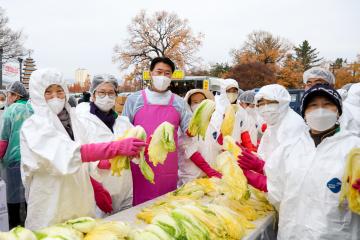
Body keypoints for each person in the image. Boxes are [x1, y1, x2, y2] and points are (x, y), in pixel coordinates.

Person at [20, 68, 146, 230]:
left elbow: (85, 164)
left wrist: (97, 186)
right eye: (48, 92)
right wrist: (114, 148)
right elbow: (68, 155)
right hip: (51, 204)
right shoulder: (34, 126)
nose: (55, 97)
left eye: (59, 91)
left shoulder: (74, 121)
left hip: (80, 204)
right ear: (38, 94)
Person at [238, 84, 360, 239]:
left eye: (327, 104)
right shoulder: (291, 147)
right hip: (292, 232)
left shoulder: (354, 149)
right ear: (305, 112)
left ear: (338, 111)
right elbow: (276, 188)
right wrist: (253, 176)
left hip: (335, 233)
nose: (320, 110)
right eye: (313, 105)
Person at [123, 57, 217, 205]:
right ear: (150, 73)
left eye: (167, 73)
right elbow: (124, 131)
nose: (163, 76)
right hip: (139, 162)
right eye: (159, 72)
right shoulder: (134, 100)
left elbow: (189, 132)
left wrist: (203, 115)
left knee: (165, 205)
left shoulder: (179, 103)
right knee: (139, 207)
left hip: (167, 166)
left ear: (172, 76)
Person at [76, 74, 134, 215]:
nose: (106, 97)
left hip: (124, 187)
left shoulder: (124, 122)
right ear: (93, 95)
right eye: (102, 92)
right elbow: (76, 157)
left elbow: (136, 153)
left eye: (110, 93)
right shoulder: (81, 121)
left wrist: (137, 152)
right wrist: (99, 163)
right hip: (97, 189)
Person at [0, 81, 32, 228]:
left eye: (9, 95)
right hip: (31, 159)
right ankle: (29, 224)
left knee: (12, 196)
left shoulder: (11, 110)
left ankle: (14, 227)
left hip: (13, 160)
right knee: (28, 194)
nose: (7, 98)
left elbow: (4, 139)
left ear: (15, 95)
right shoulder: (32, 108)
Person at [178, 89, 221, 186]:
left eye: (202, 101)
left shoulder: (212, 124)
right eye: (195, 102)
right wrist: (209, 171)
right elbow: (190, 151)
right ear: (189, 105)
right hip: (192, 178)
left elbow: (217, 145)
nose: (199, 105)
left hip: (210, 177)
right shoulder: (186, 126)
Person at [254, 84, 307, 161]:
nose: (266, 108)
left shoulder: (293, 124)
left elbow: (290, 163)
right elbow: (266, 151)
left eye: (271, 102)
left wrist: (262, 166)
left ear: (282, 102)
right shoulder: (274, 122)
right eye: (261, 104)